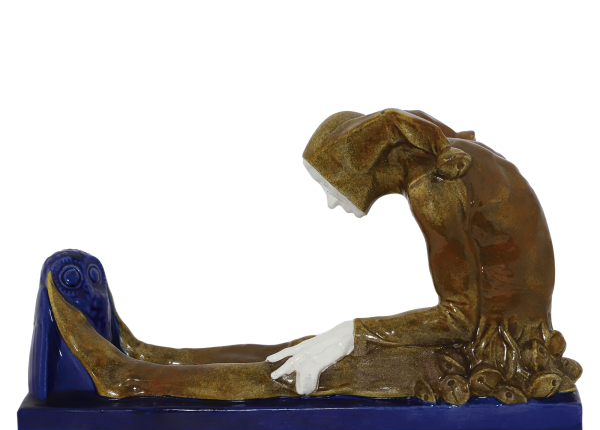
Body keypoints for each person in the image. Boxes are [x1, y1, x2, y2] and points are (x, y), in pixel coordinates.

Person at [45, 109, 581, 403]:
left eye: (331, 187)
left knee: (307, 373)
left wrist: (351, 333)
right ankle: (156, 355)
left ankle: (126, 377)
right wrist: (339, 335)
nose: (331, 203)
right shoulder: (441, 151)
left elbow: (459, 319)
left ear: (364, 167)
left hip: (494, 354)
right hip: (498, 334)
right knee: (297, 350)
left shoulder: (434, 187)